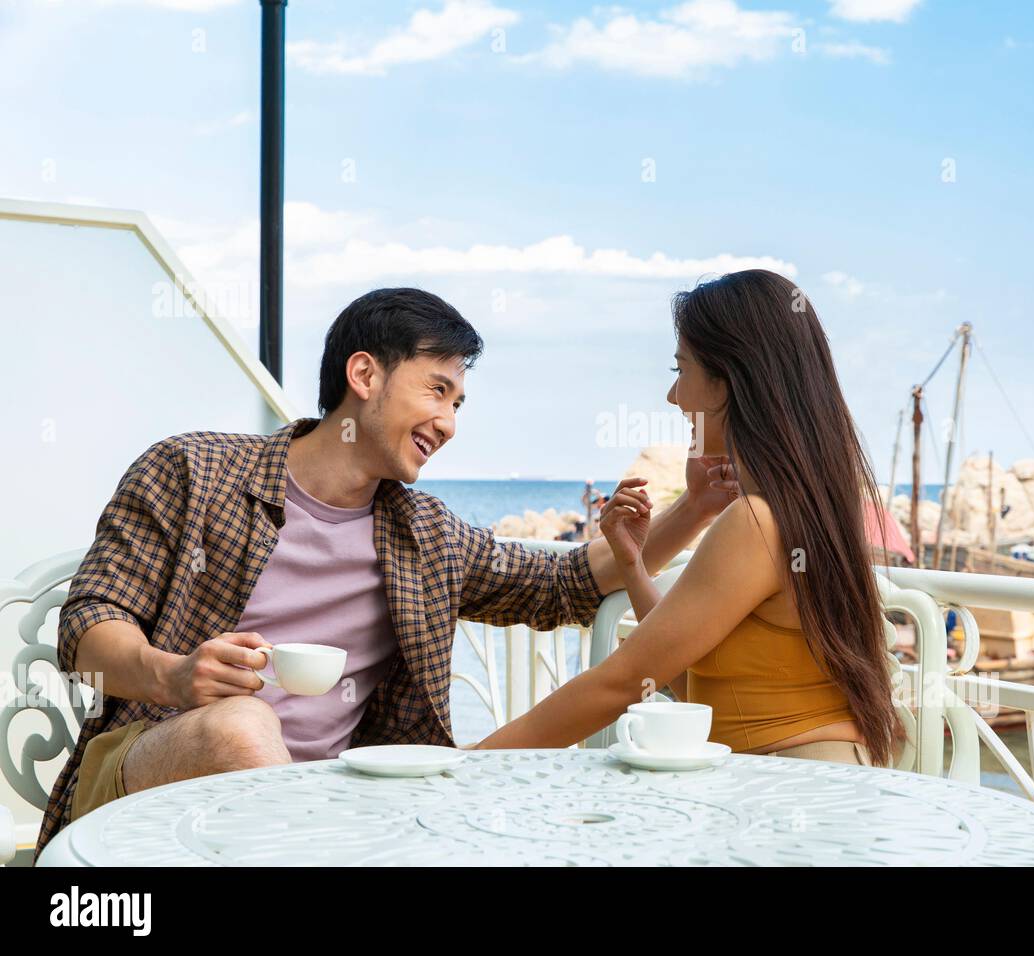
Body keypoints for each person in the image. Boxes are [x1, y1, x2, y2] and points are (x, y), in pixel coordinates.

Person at [35, 287, 737, 860]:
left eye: (458, 404)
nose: (449, 422)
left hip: (332, 809)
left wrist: (698, 509)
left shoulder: (423, 535)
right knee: (238, 727)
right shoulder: (192, 470)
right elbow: (88, 628)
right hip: (148, 774)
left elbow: (569, 584)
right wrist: (175, 675)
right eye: (437, 390)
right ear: (364, 375)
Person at [476, 270, 905, 767]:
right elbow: (684, 673)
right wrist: (634, 567)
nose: (673, 396)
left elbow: (620, 682)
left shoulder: (756, 523)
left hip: (797, 786)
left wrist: (468, 764)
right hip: (795, 776)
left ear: (728, 381)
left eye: (681, 370)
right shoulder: (796, 508)